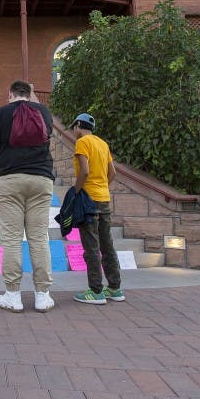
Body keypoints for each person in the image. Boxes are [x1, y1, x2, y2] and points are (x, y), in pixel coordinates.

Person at [0, 80, 56, 313]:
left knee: (12, 239)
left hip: (8, 180)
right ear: (30, 93)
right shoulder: (43, 112)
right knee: (39, 239)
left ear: (9, 94)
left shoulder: (0, 114)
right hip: (41, 180)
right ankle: (43, 295)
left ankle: (13, 295)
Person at [68, 113, 125, 305]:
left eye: (74, 127)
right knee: (106, 244)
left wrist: (77, 192)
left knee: (91, 246)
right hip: (103, 199)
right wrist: (102, 187)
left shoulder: (83, 142)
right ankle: (115, 288)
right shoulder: (102, 144)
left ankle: (95, 291)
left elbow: (84, 171)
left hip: (88, 200)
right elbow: (113, 173)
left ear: (78, 125)